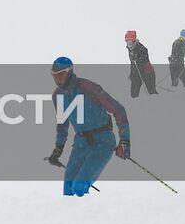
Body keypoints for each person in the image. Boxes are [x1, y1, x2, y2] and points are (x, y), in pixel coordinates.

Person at [44, 57, 130, 197]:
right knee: (68, 190)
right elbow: (62, 125)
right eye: (54, 75)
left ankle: (93, 215)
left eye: (60, 74)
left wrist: (125, 141)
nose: (57, 79)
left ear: (70, 72)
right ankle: (72, 218)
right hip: (81, 143)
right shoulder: (58, 95)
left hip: (102, 142)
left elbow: (118, 110)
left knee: (78, 188)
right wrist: (58, 150)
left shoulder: (88, 88)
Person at [123, 31, 157, 97]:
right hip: (136, 73)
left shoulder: (141, 48)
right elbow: (133, 63)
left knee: (152, 93)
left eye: (128, 40)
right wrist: (132, 73)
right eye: (126, 40)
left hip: (147, 72)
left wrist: (138, 59)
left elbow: (145, 59)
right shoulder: (130, 48)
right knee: (133, 94)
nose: (127, 42)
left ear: (133, 39)